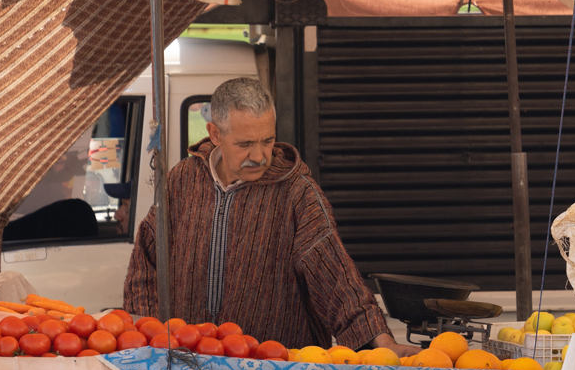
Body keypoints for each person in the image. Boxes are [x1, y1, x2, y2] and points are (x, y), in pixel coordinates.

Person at [123, 76, 408, 353]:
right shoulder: (182, 180)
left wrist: (381, 341)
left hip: (277, 369)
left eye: (267, 141)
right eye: (245, 144)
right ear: (215, 134)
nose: (259, 155)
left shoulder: (297, 192)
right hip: (190, 363)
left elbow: (334, 273)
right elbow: (146, 259)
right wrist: (149, 332)